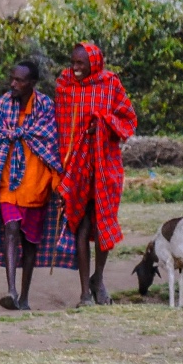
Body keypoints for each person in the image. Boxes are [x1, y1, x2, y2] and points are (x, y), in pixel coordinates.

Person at [0, 60, 68, 310]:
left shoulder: (45, 107)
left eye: (19, 81)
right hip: (8, 183)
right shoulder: (2, 105)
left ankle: (25, 297)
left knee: (30, 243)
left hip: (36, 186)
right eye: (12, 79)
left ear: (32, 84)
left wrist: (57, 186)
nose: (13, 84)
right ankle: (11, 290)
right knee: (10, 229)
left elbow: (51, 147)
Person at [56, 42, 139, 307]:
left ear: (95, 63)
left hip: (106, 165)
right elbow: (60, 124)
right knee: (81, 224)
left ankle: (98, 279)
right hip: (76, 166)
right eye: (74, 62)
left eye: (81, 63)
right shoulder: (65, 86)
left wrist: (102, 122)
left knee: (103, 223)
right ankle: (84, 292)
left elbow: (128, 121)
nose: (76, 68)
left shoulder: (110, 84)